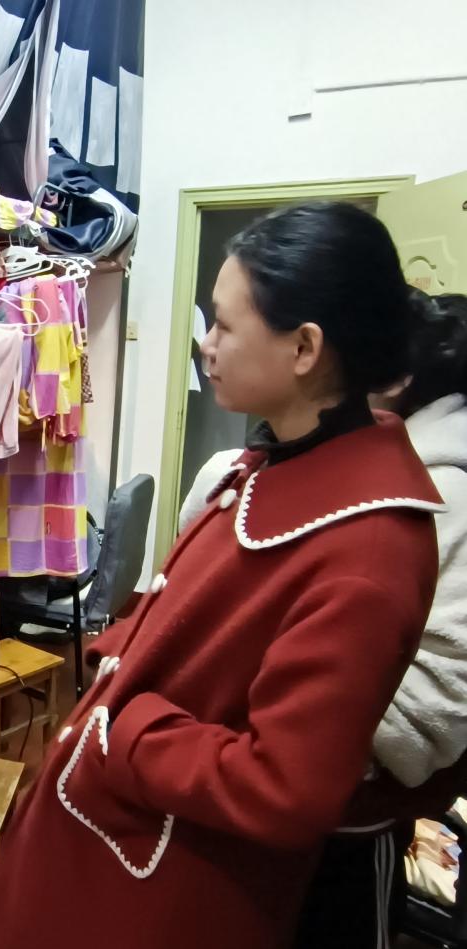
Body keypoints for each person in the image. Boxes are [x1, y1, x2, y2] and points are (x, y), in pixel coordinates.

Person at [0, 202, 442, 949]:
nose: (205, 346)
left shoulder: (368, 546)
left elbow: (283, 786)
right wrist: (129, 648)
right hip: (119, 833)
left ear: (304, 347)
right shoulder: (278, 465)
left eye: (225, 327)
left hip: (162, 877)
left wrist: (129, 732)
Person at [291, 292, 467, 949]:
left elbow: (436, 699)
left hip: (345, 822)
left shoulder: (446, 493)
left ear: (393, 378)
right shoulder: (341, 468)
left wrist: (301, 742)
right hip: (283, 803)